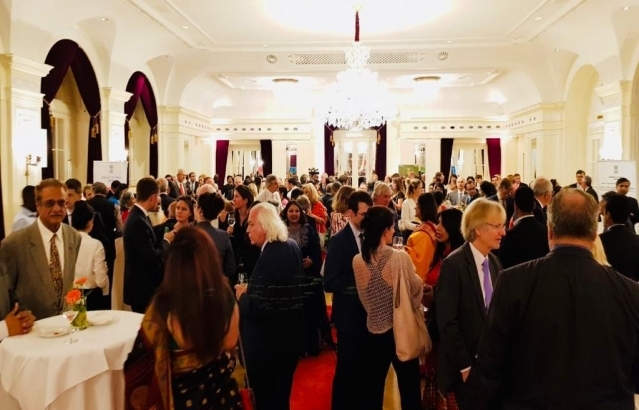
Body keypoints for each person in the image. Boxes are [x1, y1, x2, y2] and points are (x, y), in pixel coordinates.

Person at [467, 188, 639, 409]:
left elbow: (489, 368)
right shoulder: (630, 292)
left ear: (549, 231)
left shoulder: (513, 282)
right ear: (594, 234)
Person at [124, 227, 242, 409]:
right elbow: (230, 342)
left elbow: (141, 359)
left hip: (184, 395)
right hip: (221, 392)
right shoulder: (224, 294)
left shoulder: (164, 303)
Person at [235, 203, 306, 410]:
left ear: (265, 226)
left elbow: (259, 309)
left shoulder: (270, 255)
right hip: (288, 341)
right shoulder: (290, 245)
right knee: (281, 399)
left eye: (251, 224)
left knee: (267, 401)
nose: (247, 230)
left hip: (268, 349)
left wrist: (242, 296)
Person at [435, 198, 505, 407]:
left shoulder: (494, 263)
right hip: (464, 372)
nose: (503, 232)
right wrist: (465, 367)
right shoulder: (454, 265)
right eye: (497, 226)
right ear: (478, 229)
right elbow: (447, 322)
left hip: (489, 369)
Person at [352, 206, 423, 410]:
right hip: (400, 331)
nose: (393, 231)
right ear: (385, 230)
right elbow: (414, 290)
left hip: (373, 331)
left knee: (372, 390)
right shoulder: (399, 257)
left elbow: (364, 298)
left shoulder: (357, 260)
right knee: (409, 390)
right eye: (392, 227)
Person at [0, 179, 82, 319]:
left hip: (65, 324)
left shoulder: (74, 237)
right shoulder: (14, 244)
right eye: (49, 203)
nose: (57, 209)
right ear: (38, 205)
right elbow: (5, 294)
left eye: (61, 203)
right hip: (31, 326)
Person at [324, 191, 373, 410]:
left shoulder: (371, 238)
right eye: (363, 214)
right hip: (348, 317)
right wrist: (359, 276)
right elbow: (329, 282)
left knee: (365, 370)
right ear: (351, 213)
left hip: (370, 316)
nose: (367, 219)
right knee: (346, 370)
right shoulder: (339, 241)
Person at [123, 177, 168, 313]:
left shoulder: (139, 215)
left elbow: (149, 234)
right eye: (158, 196)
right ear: (153, 197)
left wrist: (167, 225)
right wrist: (167, 241)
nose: (159, 200)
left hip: (142, 286)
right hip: (142, 288)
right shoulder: (138, 221)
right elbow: (151, 256)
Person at [70, 201, 110, 311]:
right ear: (90, 222)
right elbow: (101, 281)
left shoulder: (66, 242)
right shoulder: (95, 244)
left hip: (71, 295)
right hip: (92, 296)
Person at [194, 193, 236, 282]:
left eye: (196, 206)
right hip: (216, 284)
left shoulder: (188, 234)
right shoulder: (223, 236)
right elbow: (230, 268)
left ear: (200, 210)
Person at [405, 193, 438, 281]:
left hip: (421, 280)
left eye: (417, 205)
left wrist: (403, 251)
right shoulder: (430, 226)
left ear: (423, 208)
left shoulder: (423, 234)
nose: (415, 208)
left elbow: (419, 262)